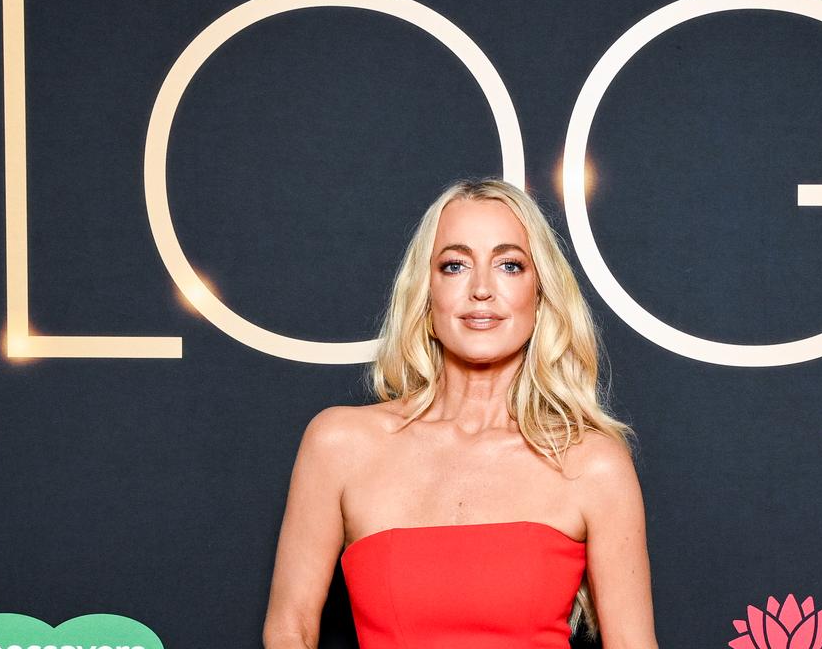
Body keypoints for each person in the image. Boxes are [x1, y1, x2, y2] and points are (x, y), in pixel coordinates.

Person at [262, 178, 659, 649]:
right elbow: (289, 630)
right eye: (455, 266)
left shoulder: (592, 463)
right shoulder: (340, 444)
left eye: (509, 265)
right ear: (426, 293)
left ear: (540, 295)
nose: (481, 290)